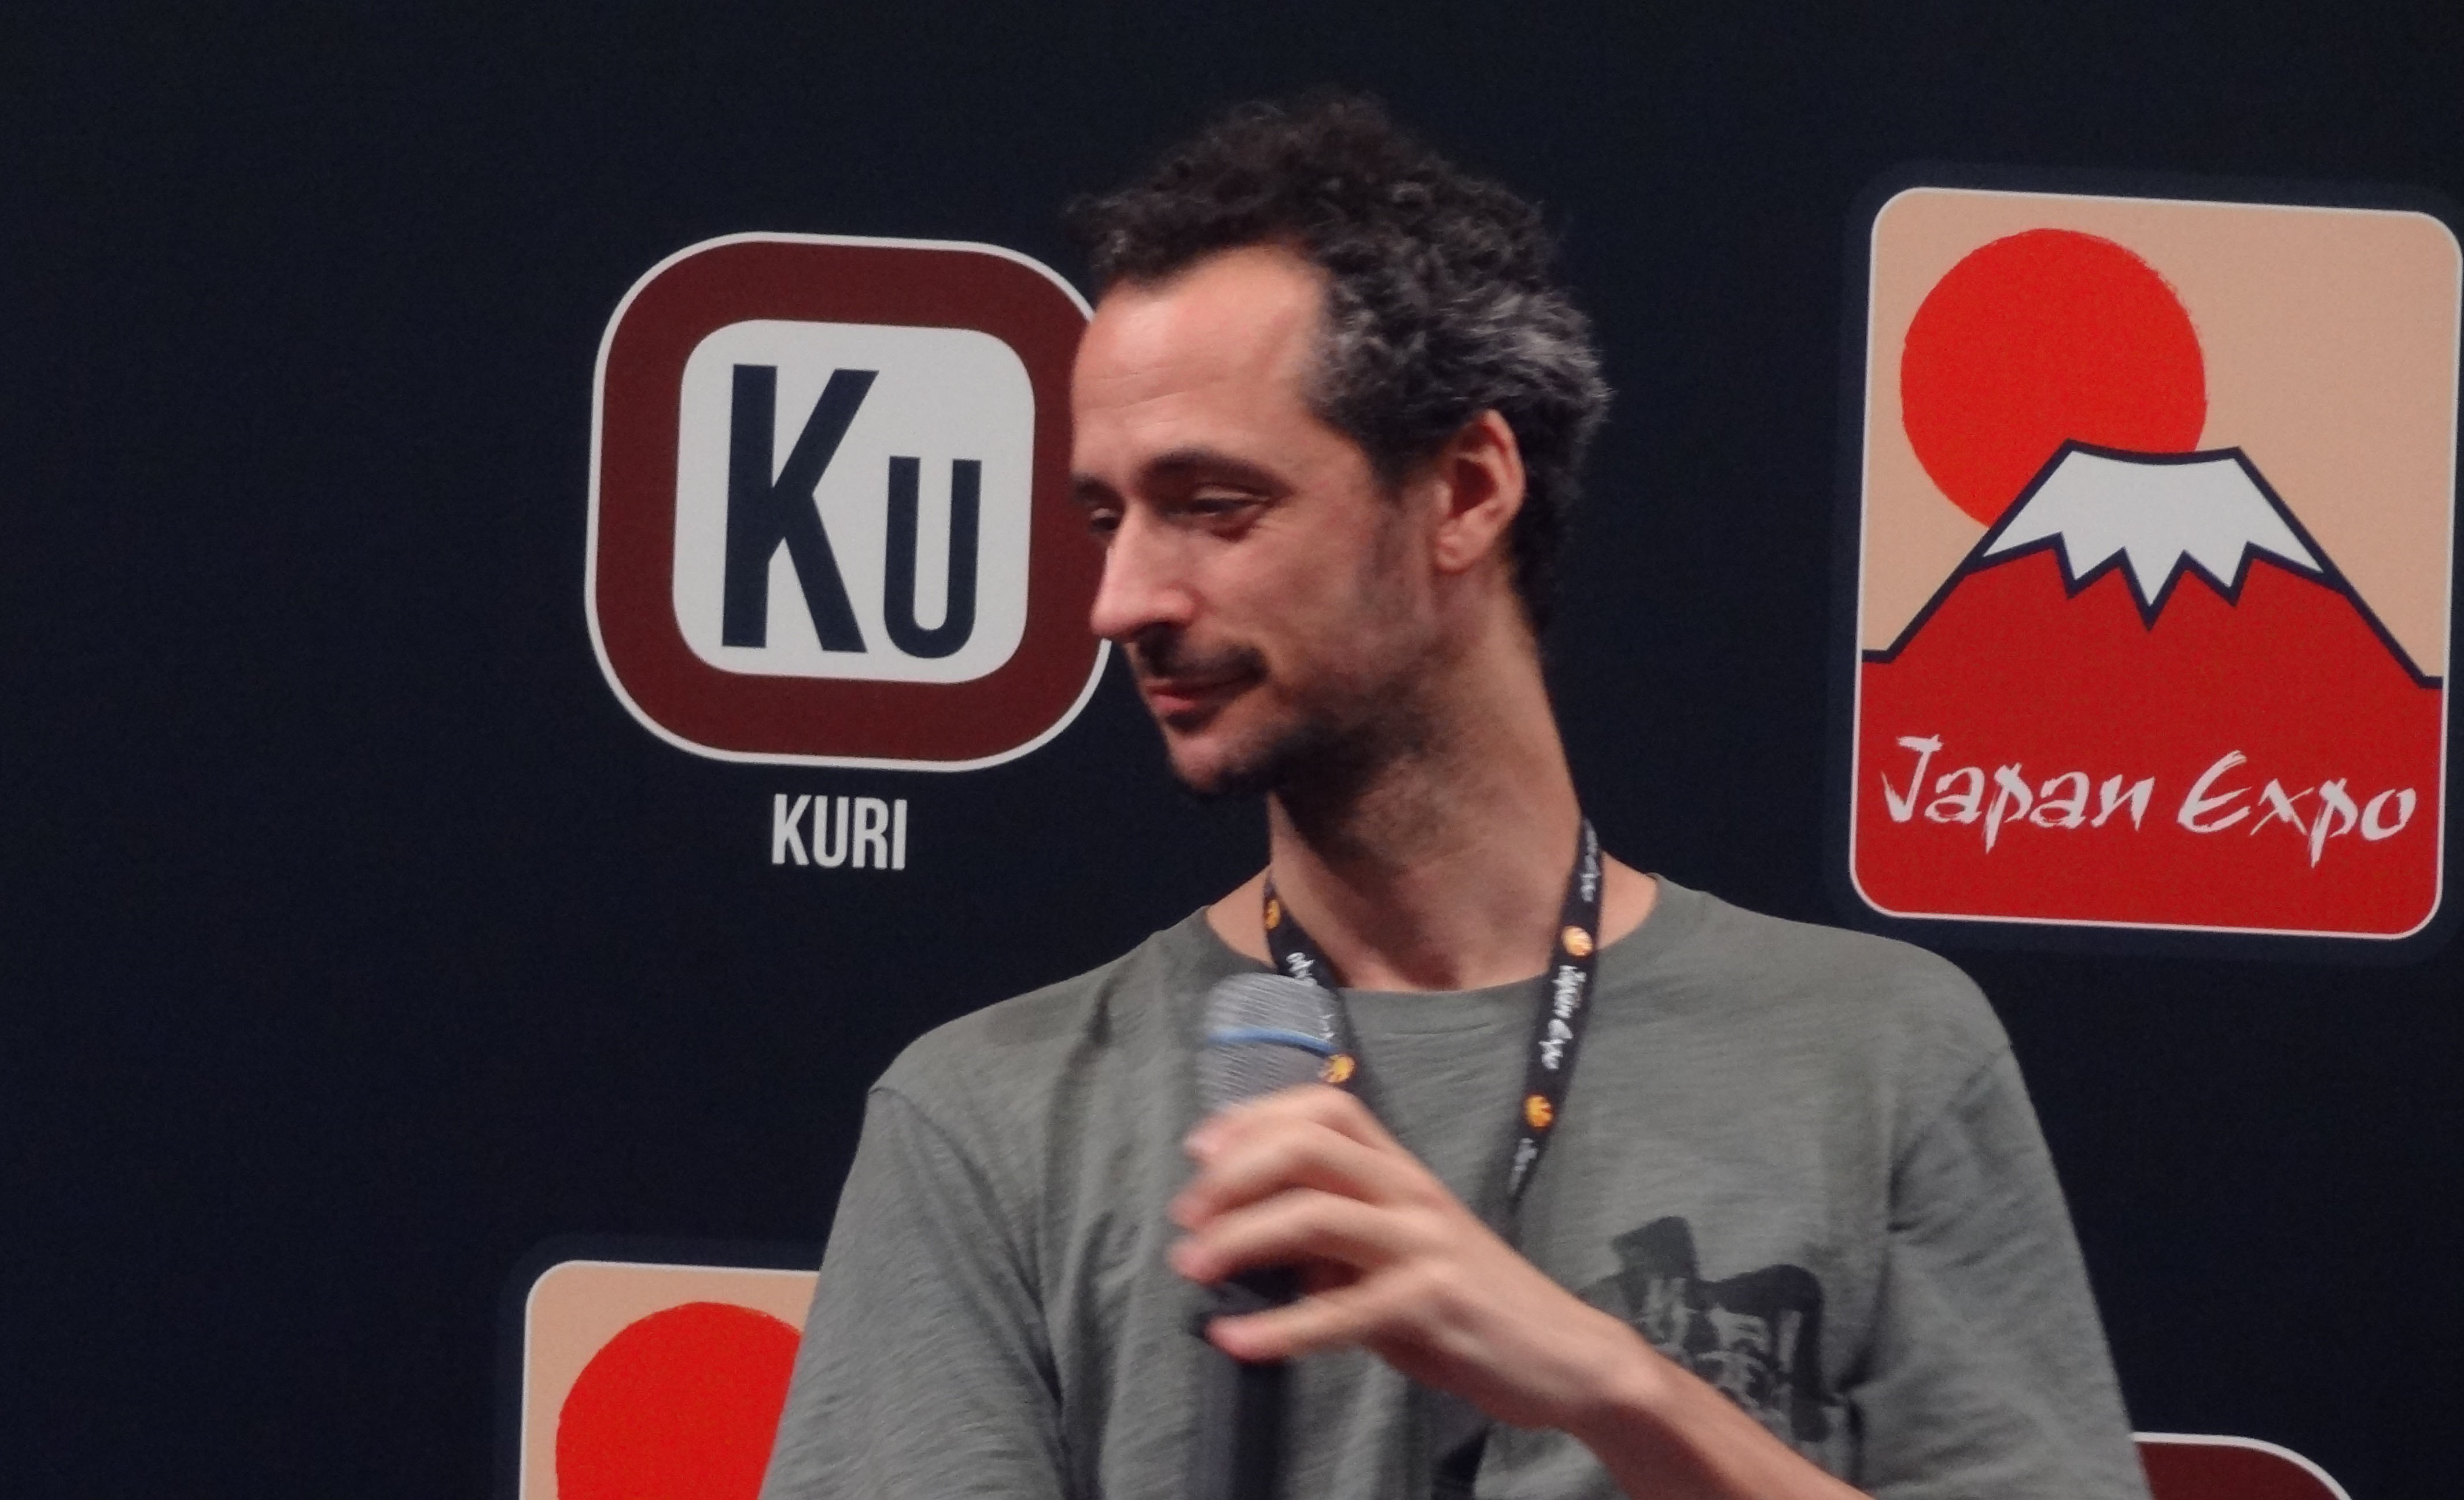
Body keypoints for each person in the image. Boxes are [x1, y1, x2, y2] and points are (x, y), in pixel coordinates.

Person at [762, 95, 2150, 1500]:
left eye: (1212, 505)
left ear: (1468, 491)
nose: (1123, 600)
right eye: (1107, 517)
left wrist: (1616, 1389)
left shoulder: (1878, 1054)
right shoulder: (991, 1120)